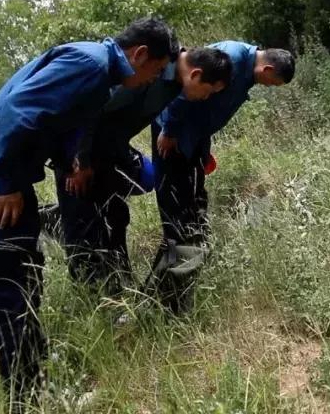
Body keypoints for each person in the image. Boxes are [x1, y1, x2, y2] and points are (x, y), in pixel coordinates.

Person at [0, 17, 178, 406]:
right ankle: (24, 401)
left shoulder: (100, 70)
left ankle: (37, 385)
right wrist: (4, 182)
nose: (153, 81)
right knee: (10, 286)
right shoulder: (90, 64)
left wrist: (71, 161)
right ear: (140, 55)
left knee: (28, 274)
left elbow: (57, 121)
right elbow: (19, 110)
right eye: (155, 71)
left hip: (5, 174)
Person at [50, 46, 234, 296]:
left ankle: (119, 290)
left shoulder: (173, 82)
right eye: (208, 91)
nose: (205, 98)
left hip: (108, 152)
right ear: (195, 74)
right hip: (76, 158)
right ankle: (93, 300)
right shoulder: (148, 73)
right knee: (84, 235)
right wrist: (78, 162)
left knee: (115, 215)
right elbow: (88, 110)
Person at [148, 42, 295, 313]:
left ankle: (168, 294)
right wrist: (169, 130)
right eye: (272, 83)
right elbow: (187, 88)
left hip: (191, 143)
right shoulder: (232, 58)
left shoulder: (246, 70)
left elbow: (208, 111)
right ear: (267, 69)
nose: (269, 87)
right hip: (172, 141)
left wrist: (202, 151)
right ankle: (163, 302)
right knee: (179, 222)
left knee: (193, 218)